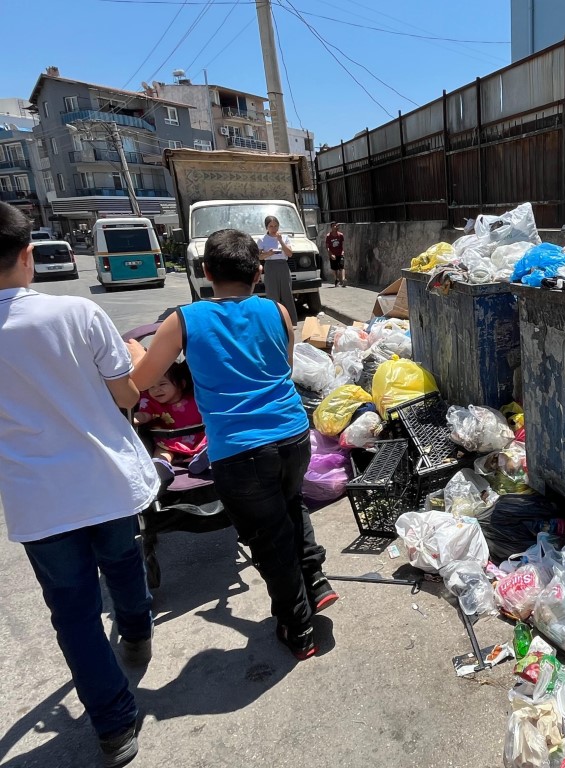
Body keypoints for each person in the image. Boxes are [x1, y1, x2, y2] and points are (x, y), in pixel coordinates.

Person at [128, 228, 337, 661]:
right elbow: (284, 364)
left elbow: (140, 382)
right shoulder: (278, 311)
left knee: (268, 539)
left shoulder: (185, 319)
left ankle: (297, 628)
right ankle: (315, 583)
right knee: (291, 505)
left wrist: (134, 356)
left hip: (240, 453)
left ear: (205, 272)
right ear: (258, 273)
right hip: (294, 436)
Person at [0, 202, 158, 767]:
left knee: (73, 614)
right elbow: (125, 394)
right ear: (28, 255)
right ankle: (138, 633)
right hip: (104, 479)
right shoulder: (78, 313)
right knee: (123, 563)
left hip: (38, 500)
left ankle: (115, 729)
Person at [135, 361, 209, 475]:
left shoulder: (194, 397)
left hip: (200, 437)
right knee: (162, 450)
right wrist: (134, 418)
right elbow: (144, 415)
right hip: (169, 442)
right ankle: (160, 465)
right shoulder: (152, 403)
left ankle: (203, 458)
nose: (156, 390)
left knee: (212, 439)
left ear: (181, 384)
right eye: (151, 387)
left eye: (162, 384)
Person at [256, 215, 298, 325]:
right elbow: (259, 257)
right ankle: (274, 321)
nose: (274, 229)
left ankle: (290, 321)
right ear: (267, 227)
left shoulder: (284, 237)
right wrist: (268, 253)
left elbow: (289, 253)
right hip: (270, 266)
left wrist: (281, 241)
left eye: (276, 226)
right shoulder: (262, 239)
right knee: (272, 293)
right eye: (271, 226)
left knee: (286, 293)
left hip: (283, 266)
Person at [325, 222, 345, 287]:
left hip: (340, 253)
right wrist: (331, 255)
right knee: (335, 268)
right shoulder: (328, 236)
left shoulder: (340, 235)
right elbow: (327, 247)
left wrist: (342, 251)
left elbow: (342, 245)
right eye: (333, 226)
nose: (335, 227)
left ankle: (344, 280)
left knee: (342, 266)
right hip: (333, 254)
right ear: (331, 227)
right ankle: (337, 280)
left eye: (335, 226)